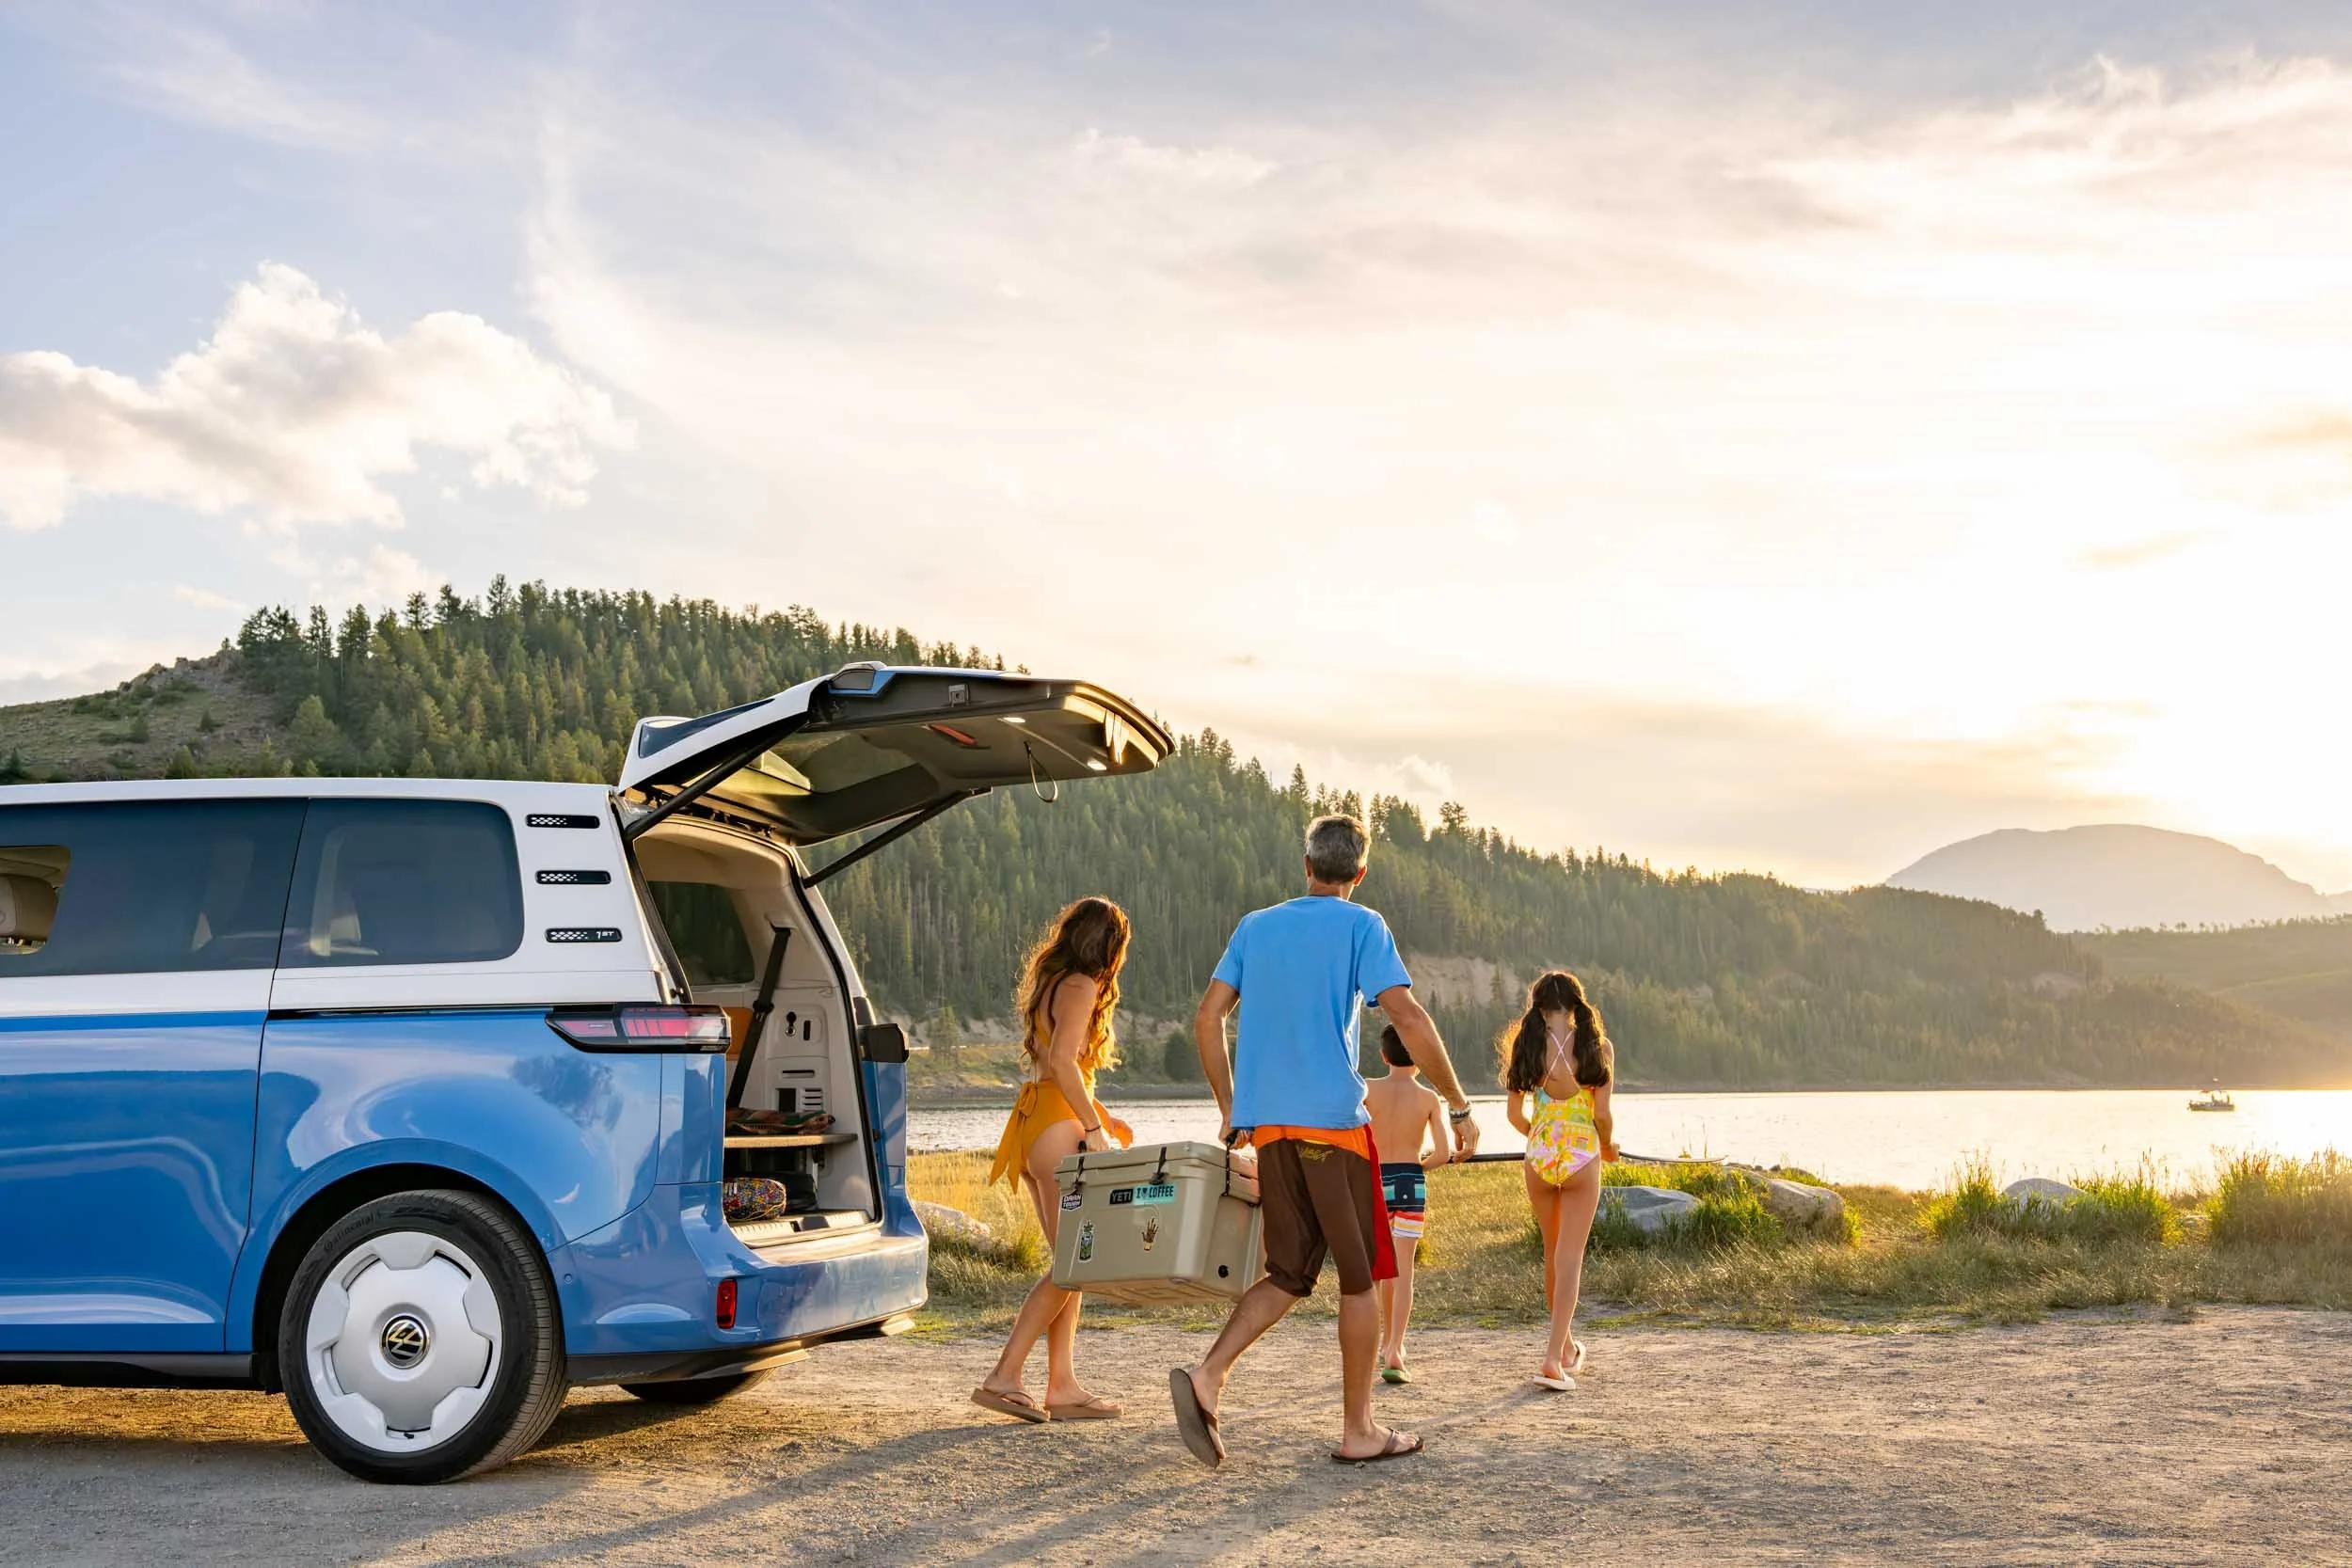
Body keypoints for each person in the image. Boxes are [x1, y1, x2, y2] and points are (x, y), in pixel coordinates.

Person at [1169, 814, 1481, 1467]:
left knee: (1288, 1272)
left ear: (1306, 864)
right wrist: (1456, 1104)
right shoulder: (1363, 924)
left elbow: (1207, 1018)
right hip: (1336, 1130)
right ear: (1359, 874)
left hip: (1274, 1131)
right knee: (1361, 1280)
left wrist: (1234, 1108)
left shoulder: (1256, 926)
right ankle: (1359, 1429)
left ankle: (1209, 1374)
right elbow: (1407, 1014)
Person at [972, 896, 1136, 1424]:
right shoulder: (1083, 985)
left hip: (1038, 1123)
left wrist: (1103, 1117)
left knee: (1071, 1265)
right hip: (1060, 1131)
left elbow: (1058, 1069)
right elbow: (1066, 1061)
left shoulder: (1053, 981)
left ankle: (1061, 1385)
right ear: (1110, 944)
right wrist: (1093, 1129)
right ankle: (1004, 1376)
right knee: (1075, 1263)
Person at [1502, 970, 1618, 1392]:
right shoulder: (1596, 1047)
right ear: (1575, 1004)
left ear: (1538, 1006)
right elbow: (1602, 1115)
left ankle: (1566, 1346)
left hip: (1540, 1156)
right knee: (1570, 1257)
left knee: (1552, 1254)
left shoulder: (1527, 1046)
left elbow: (1515, 1116)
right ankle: (1553, 1358)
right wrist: (1606, 1145)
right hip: (1581, 1156)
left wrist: (1541, 1134)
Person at [1364, 1022, 1452, 1386]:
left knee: (1377, 1270)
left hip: (1375, 1180)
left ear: (1384, 1055)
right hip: (1410, 1183)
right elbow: (1444, 1154)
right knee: (1404, 1271)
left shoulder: (1366, 1089)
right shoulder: (1429, 1098)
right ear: (1417, 1057)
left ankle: (1373, 1344)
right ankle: (1395, 1348)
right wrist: (1419, 1164)